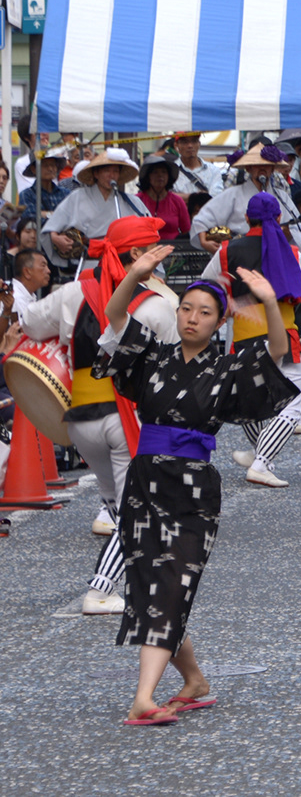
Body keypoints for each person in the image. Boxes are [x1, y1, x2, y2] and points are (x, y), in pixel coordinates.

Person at [96, 247, 297, 726]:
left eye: (204, 313)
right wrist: (135, 275)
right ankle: (195, 682)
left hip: (192, 490)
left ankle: (144, 697)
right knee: (150, 586)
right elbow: (115, 315)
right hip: (145, 483)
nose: (191, 318)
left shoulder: (228, 367)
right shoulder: (154, 356)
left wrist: (269, 303)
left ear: (219, 323)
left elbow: (276, 352)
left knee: (172, 582)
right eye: (186, 308)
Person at [16, 215, 179, 617]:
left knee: (121, 505)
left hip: (81, 417)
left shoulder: (73, 291)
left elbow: (31, 324)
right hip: (126, 416)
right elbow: (174, 366)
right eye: (154, 251)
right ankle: (101, 589)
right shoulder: (159, 303)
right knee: (135, 508)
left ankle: (142, 577)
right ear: (139, 255)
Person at [205, 192, 301, 490]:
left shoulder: (227, 250)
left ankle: (258, 451)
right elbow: (300, 293)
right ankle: (262, 461)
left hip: (243, 334)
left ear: (246, 218)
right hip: (282, 331)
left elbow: (209, 289)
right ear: (279, 219)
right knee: (293, 404)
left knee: (249, 398)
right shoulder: (293, 253)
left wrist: (235, 304)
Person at [41, 147, 144, 279]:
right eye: (107, 171)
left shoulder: (129, 201)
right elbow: (52, 228)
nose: (111, 175)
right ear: (96, 173)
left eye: (115, 171)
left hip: (121, 264)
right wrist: (55, 238)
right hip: (89, 263)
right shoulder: (77, 197)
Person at [133, 155, 191, 241]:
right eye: (155, 172)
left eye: (164, 172)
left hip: (173, 250)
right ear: (148, 176)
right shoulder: (137, 200)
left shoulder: (177, 201)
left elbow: (186, 230)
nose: (160, 175)